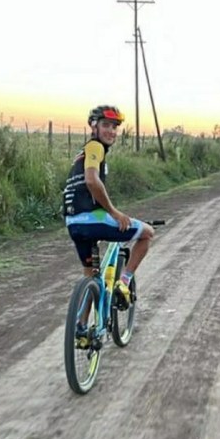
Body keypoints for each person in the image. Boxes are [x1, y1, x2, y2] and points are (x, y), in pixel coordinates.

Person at [63, 105, 155, 310]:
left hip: (73, 223)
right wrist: (114, 212)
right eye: (106, 125)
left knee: (91, 277)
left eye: (115, 127)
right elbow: (92, 181)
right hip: (93, 220)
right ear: (93, 127)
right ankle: (123, 284)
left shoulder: (80, 154)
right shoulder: (95, 147)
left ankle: (82, 329)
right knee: (147, 233)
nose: (111, 131)